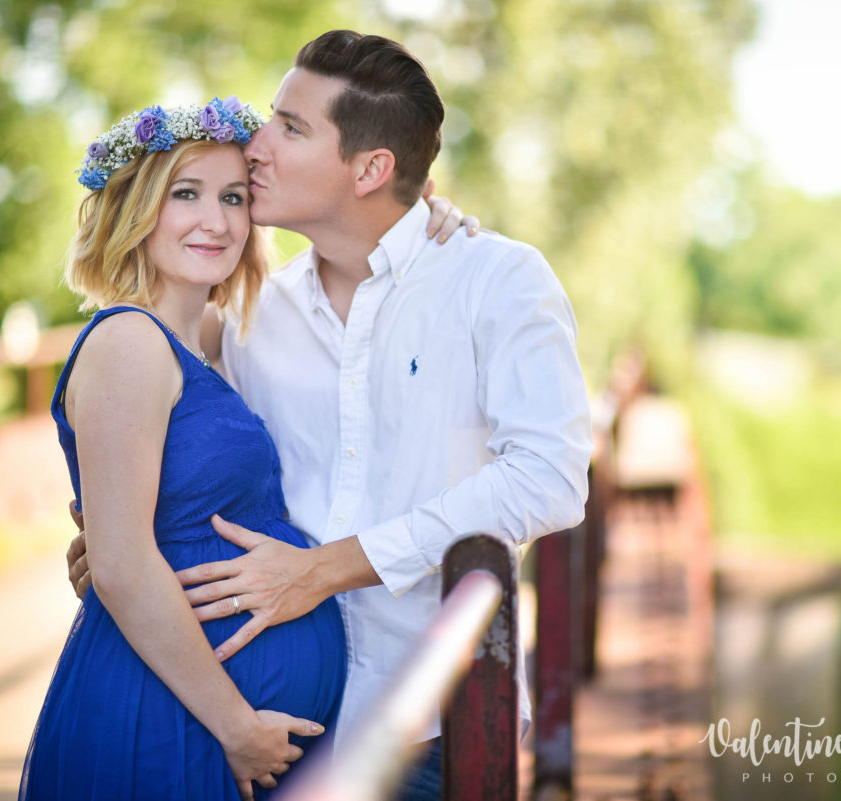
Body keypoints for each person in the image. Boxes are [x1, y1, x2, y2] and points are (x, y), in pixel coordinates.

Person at [68, 30, 593, 801]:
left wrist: (327, 568)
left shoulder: (496, 280)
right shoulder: (252, 315)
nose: (257, 144)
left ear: (371, 169)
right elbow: (167, 426)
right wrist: (118, 546)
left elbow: (548, 478)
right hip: (269, 730)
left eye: (290, 127)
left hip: (429, 729)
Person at [21, 97, 352, 801]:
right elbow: (120, 562)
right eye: (186, 194)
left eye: (234, 197)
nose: (218, 220)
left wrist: (428, 225)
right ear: (135, 210)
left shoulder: (208, 347)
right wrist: (236, 724)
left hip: (210, 716)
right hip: (176, 715)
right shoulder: (127, 342)